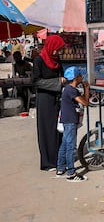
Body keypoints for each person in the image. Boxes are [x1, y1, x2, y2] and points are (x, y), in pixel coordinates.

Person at [33, 35, 66, 171]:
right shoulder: (39, 60)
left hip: (57, 99)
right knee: (47, 130)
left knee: (58, 129)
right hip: (45, 100)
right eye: (57, 50)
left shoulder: (57, 61)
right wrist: (57, 82)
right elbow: (36, 81)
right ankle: (48, 162)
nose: (57, 52)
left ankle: (59, 158)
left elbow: (61, 75)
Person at [56, 66, 89, 182]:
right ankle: (71, 173)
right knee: (70, 147)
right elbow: (85, 102)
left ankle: (60, 168)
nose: (82, 77)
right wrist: (86, 88)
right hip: (70, 121)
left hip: (67, 120)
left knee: (64, 144)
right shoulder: (71, 90)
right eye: (80, 75)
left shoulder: (67, 89)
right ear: (76, 78)